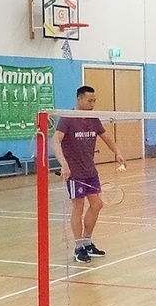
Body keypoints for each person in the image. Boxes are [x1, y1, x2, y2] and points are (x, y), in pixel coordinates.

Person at [53, 85, 126, 264]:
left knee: (97, 204)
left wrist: (117, 151)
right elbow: (55, 141)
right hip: (74, 172)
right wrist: (64, 164)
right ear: (79, 100)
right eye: (89, 101)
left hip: (90, 170)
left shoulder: (93, 118)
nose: (92, 104)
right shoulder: (68, 118)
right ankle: (78, 248)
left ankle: (87, 242)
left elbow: (106, 137)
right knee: (78, 207)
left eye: (94, 101)